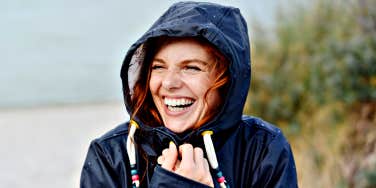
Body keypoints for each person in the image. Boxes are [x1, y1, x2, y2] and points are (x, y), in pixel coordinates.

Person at [80, 1, 298, 188]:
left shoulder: (263, 150)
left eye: (191, 68)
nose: (169, 83)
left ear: (227, 81)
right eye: (158, 67)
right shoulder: (110, 155)